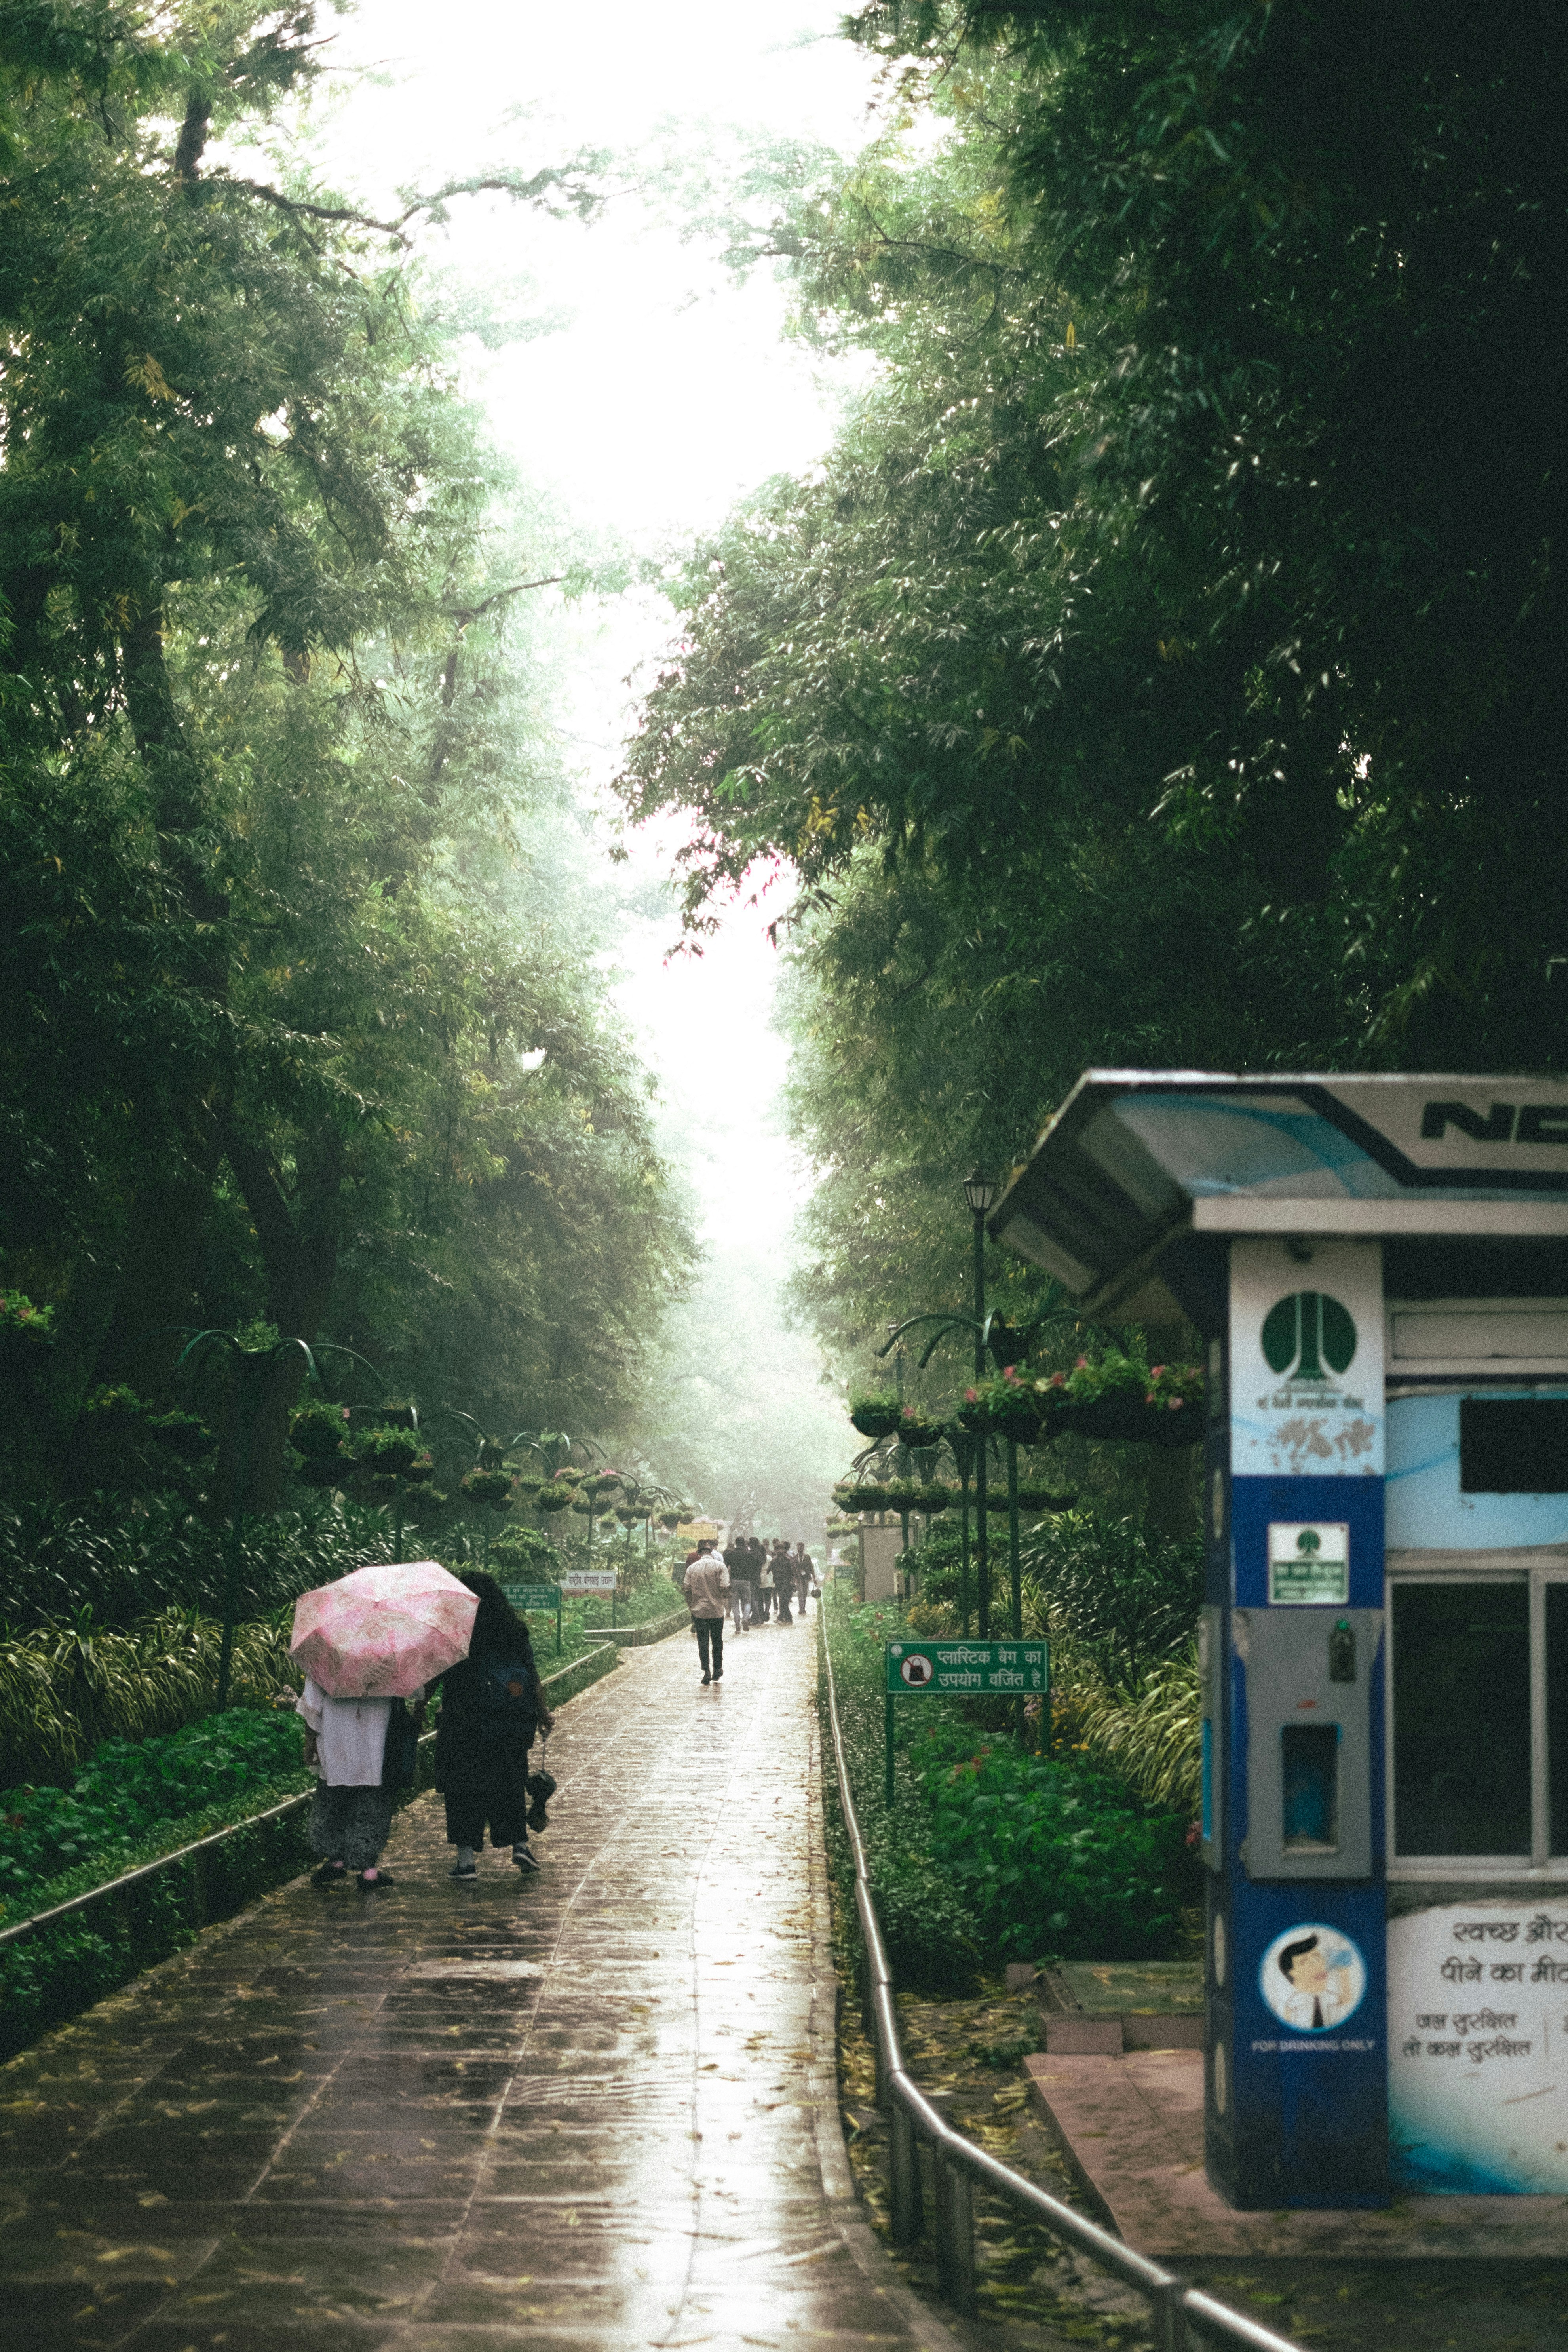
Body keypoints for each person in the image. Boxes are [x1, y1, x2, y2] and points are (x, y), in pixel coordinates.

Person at [431, 1571, 556, 1878]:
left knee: (464, 1789)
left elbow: (434, 1676)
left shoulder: (455, 1632)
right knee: (509, 1783)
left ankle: (466, 1862)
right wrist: (543, 1712)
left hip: (463, 1723)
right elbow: (531, 1672)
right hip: (509, 1722)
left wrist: (421, 1704)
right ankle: (519, 1845)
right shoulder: (513, 1630)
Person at [297, 1678, 417, 1890]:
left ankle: (336, 1860)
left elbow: (312, 1704)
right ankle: (368, 1871)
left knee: (334, 1800)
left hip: (336, 1738)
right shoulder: (390, 1652)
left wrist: (310, 1740)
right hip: (378, 1741)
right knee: (372, 1806)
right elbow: (414, 1690)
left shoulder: (328, 1653)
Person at [683, 1537, 729, 1685]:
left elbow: (687, 1590)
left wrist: (691, 1606)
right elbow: (725, 1588)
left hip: (699, 1612)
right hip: (716, 1611)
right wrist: (724, 1599)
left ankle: (706, 1671)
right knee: (717, 1640)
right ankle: (718, 1669)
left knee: (702, 1642)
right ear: (712, 1551)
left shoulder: (692, 1568)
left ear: (699, 1552)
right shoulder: (720, 1566)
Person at [722, 1531, 752, 1632]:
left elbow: (726, 1567)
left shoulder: (732, 1554)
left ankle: (738, 1628)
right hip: (746, 1581)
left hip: (735, 1581)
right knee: (747, 1602)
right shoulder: (748, 1555)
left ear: (736, 1543)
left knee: (735, 1605)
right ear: (744, 1543)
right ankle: (745, 1619)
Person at [771, 1538, 794, 1625]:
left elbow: (793, 1572)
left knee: (783, 1601)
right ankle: (783, 1617)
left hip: (785, 1583)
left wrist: (793, 1581)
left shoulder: (788, 1559)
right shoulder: (778, 1560)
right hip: (781, 1583)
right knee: (783, 1601)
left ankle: (788, 1618)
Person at [792, 1542, 817, 1614]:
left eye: (801, 1547)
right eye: (799, 1547)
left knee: (805, 1593)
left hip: (806, 1577)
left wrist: (814, 1578)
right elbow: (793, 1569)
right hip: (798, 1578)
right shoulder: (794, 1558)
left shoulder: (807, 1557)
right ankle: (801, 1609)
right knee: (800, 1593)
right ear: (797, 1548)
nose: (800, 1548)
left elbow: (811, 1567)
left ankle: (803, 1608)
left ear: (803, 1548)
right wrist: (793, 1579)